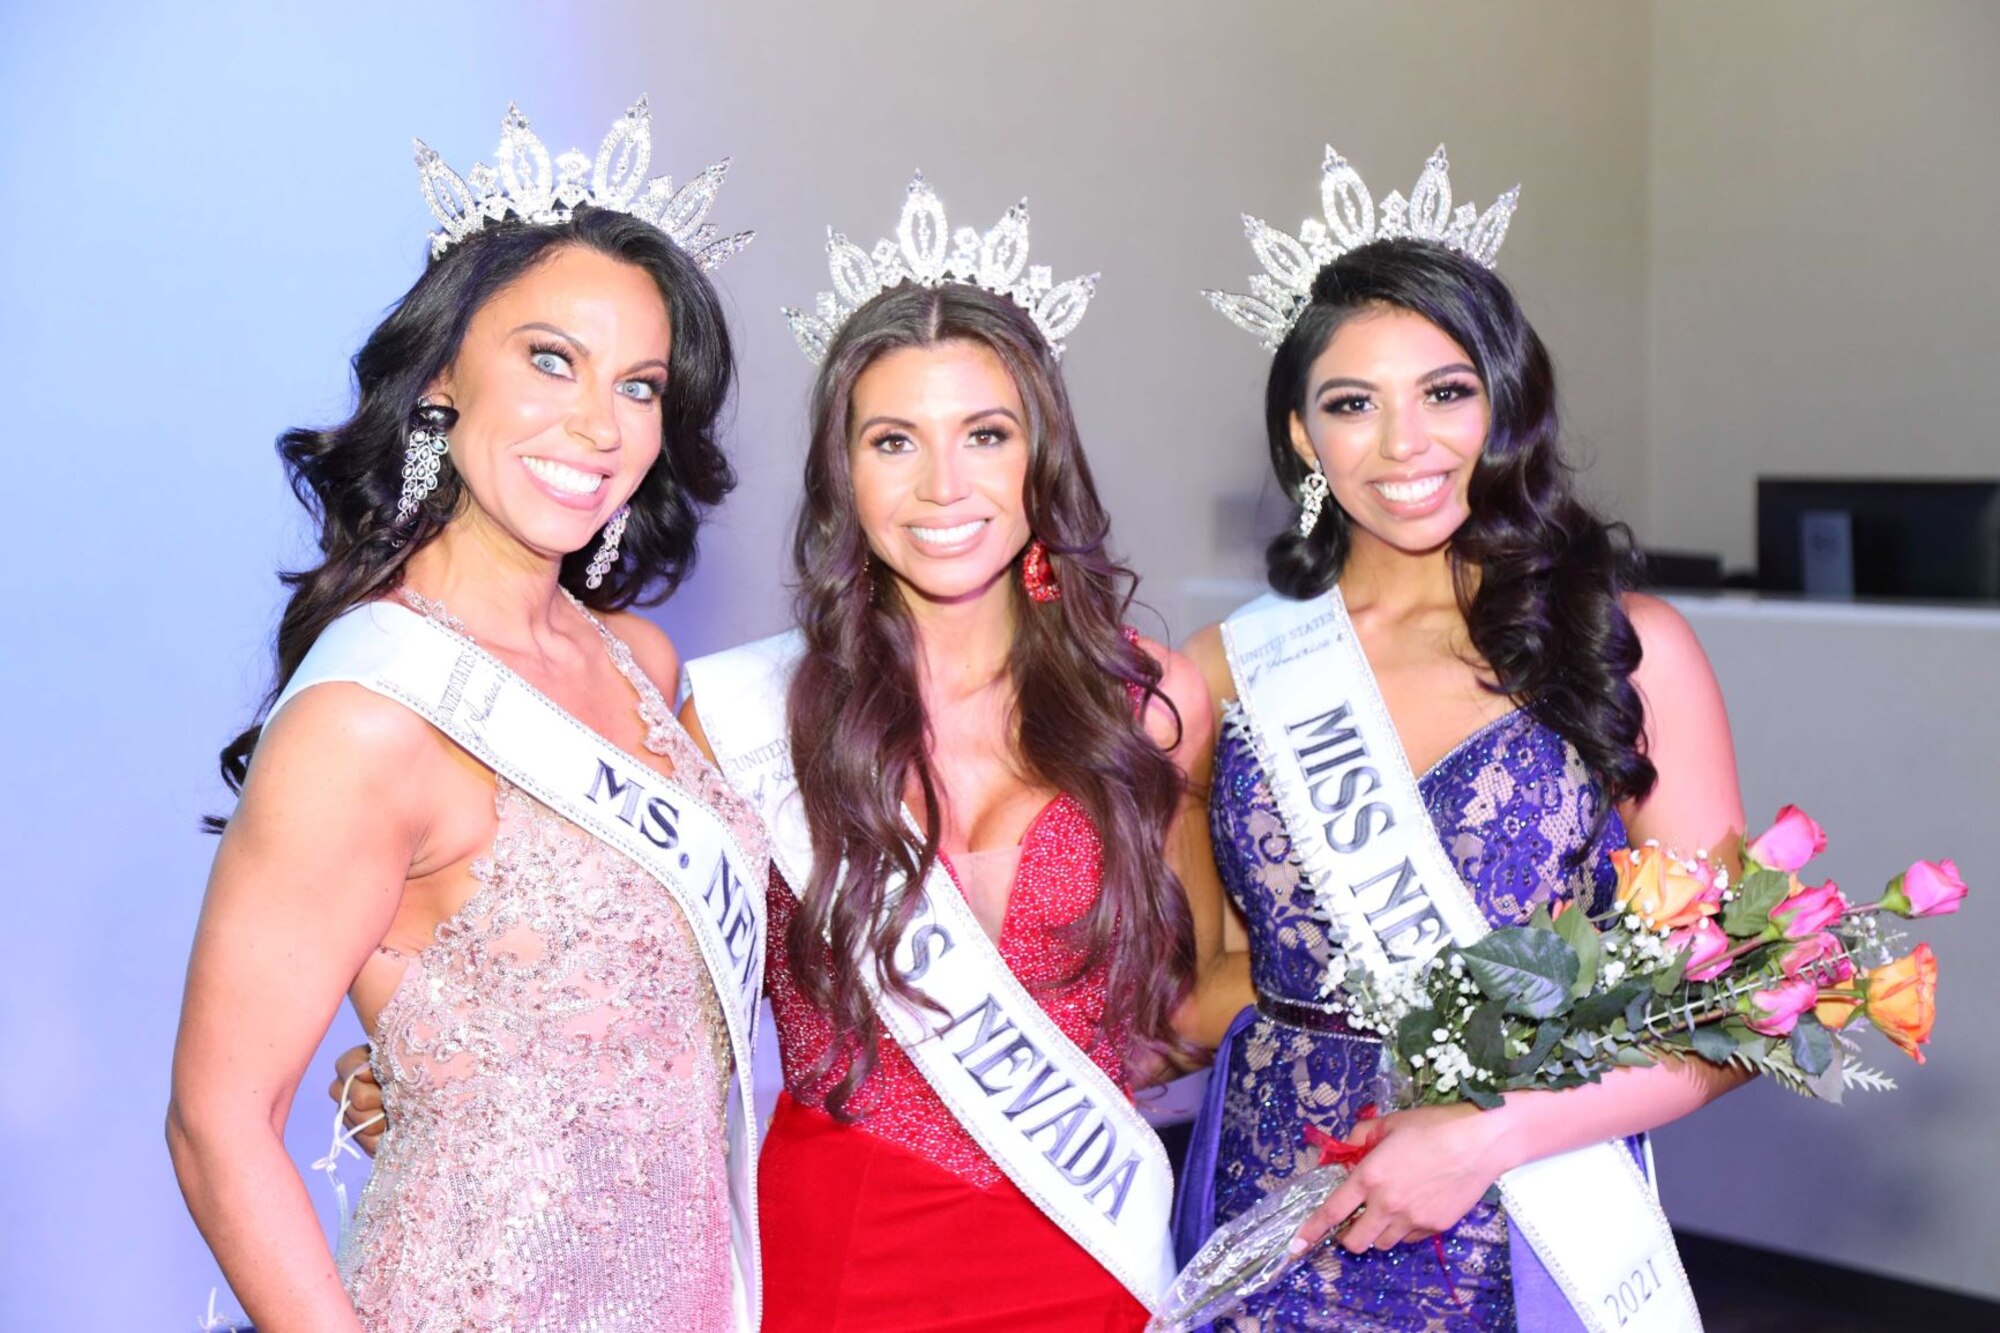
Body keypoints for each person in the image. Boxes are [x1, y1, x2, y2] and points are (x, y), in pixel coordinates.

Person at [337, 174, 1227, 1331]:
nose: (943, 485)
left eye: (986, 435)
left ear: (1039, 461)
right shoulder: (740, 718)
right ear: (842, 479)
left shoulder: (1151, 707)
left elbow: (1202, 982)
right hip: (834, 1257)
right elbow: (615, 981)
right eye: (893, 440)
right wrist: (449, 1072)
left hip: (1089, 1252)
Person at [166, 100, 770, 1332]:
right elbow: (215, 1123)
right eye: (551, 359)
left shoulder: (642, 660)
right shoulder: (369, 713)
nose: (599, 426)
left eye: (639, 385)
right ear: (443, 379)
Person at [1173, 146, 1747, 1331]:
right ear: (1299, 437)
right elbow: (1179, 984)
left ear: (1503, 401)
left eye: (1442, 392)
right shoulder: (1227, 672)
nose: (1402, 444)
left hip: (1519, 1231)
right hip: (1273, 1221)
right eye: (1350, 403)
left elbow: (1728, 1008)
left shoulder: (1624, 646)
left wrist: (1485, 1132)